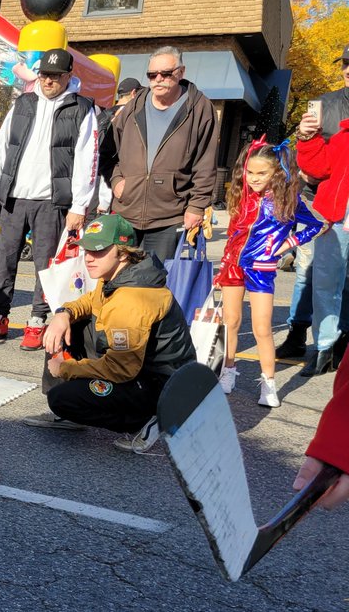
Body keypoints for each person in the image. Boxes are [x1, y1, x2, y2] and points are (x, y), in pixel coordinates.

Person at [38, 213, 196, 452]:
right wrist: (63, 314)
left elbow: (120, 369)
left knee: (62, 399)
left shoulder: (132, 299)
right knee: (63, 330)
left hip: (160, 387)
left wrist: (65, 369)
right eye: (87, 250)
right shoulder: (120, 275)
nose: (88, 258)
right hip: (140, 369)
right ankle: (69, 410)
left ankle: (150, 419)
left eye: (98, 251)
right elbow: (90, 301)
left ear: (123, 253)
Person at [0, 48, 98, 349]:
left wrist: (79, 205)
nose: (48, 81)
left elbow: (88, 159)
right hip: (14, 197)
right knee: (4, 260)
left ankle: (37, 321)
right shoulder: (23, 103)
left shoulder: (82, 108)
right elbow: (1, 147)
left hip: (51, 201)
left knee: (45, 264)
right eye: (44, 74)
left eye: (55, 76)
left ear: (68, 76)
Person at [212, 138, 325, 406]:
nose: (253, 178)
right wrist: (224, 264)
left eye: (261, 173)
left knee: (262, 328)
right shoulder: (242, 195)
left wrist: (286, 245)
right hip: (233, 266)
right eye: (250, 172)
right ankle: (227, 371)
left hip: (262, 268)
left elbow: (316, 225)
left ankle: (269, 383)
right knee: (230, 322)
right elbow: (234, 233)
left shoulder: (288, 199)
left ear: (276, 172)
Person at [101, 46, 218, 261]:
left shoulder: (200, 109)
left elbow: (205, 163)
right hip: (127, 210)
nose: (158, 79)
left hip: (169, 215)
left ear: (181, 72)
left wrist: (196, 206)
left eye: (165, 73)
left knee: (155, 277)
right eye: (152, 75)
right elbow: (107, 152)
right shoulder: (133, 107)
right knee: (120, 275)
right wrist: (116, 181)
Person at [296, 93, 349, 377]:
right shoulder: (341, 136)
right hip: (337, 217)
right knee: (325, 283)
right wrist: (307, 138)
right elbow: (318, 168)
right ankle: (324, 347)